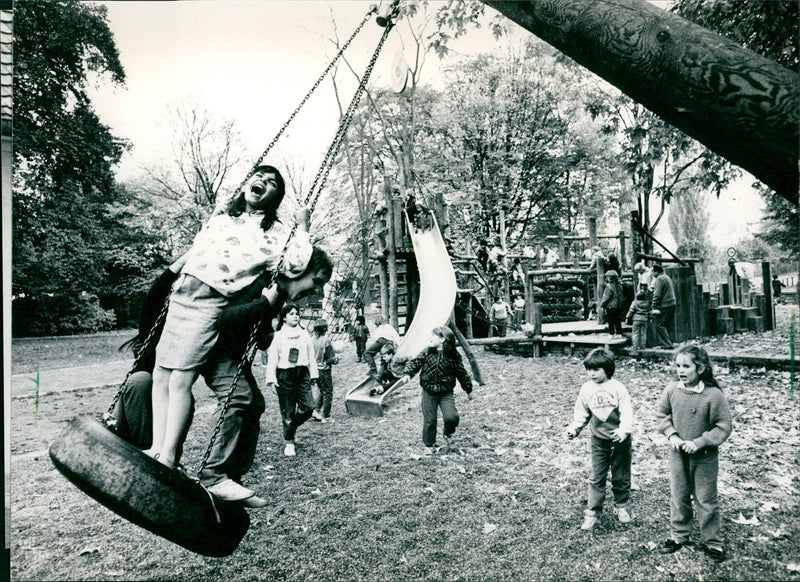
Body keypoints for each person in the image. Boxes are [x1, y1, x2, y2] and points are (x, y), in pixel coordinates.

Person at [113, 246, 334, 505]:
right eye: (316, 281)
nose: (316, 290)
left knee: (254, 404)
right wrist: (263, 305)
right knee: (232, 396)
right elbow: (225, 319)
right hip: (214, 348)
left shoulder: (278, 293)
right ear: (298, 269)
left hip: (227, 350)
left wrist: (265, 330)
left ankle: (229, 477)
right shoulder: (263, 284)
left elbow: (255, 327)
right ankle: (209, 474)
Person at [146, 165, 313, 468]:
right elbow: (199, 247)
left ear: (276, 199)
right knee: (161, 375)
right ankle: (156, 448)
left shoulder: (275, 233)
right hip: (182, 296)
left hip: (210, 301)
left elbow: (296, 264)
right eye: (259, 176)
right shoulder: (222, 218)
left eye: (272, 183)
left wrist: (303, 226)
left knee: (180, 379)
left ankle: (168, 455)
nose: (262, 181)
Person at [655, 345, 732, 563]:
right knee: (679, 495)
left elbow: (723, 426)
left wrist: (700, 442)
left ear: (700, 368)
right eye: (678, 365)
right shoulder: (672, 390)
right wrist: (671, 434)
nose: (681, 370)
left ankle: (713, 543)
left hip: (704, 457)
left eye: (686, 366)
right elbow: (661, 414)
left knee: (706, 500)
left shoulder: (713, 395)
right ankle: (679, 536)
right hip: (678, 454)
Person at [566, 348, 633, 531]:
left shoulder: (618, 388)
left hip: (619, 440)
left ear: (608, 369)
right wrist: (574, 428)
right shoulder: (586, 389)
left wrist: (623, 431)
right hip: (598, 440)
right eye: (589, 369)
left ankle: (621, 506)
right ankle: (593, 512)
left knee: (621, 474)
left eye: (596, 370)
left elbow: (627, 412)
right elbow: (582, 412)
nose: (592, 374)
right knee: (597, 476)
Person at [401, 326, 473, 455]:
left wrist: (468, 389)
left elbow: (461, 373)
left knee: (452, 417)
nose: (430, 338)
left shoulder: (453, 356)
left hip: (446, 393)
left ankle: (448, 432)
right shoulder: (427, 351)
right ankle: (429, 445)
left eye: (433, 336)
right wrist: (408, 373)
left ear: (442, 339)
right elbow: (415, 362)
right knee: (430, 420)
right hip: (429, 391)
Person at [265, 303, 319, 457]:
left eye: (297, 313)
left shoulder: (304, 334)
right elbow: (272, 358)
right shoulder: (278, 336)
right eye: (291, 314)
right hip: (285, 375)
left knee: (309, 407)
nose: (295, 316)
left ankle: (291, 427)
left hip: (302, 374)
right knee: (287, 411)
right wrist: (271, 379)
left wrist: (314, 375)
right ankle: (289, 442)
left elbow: (311, 356)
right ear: (284, 317)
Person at [311, 318, 338, 423]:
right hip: (324, 370)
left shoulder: (311, 340)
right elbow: (330, 359)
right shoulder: (326, 341)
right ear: (325, 329)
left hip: (315, 370)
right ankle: (326, 416)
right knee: (328, 393)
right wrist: (336, 359)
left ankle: (316, 411)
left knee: (322, 391)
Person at [650, 264, 676, 349]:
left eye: (652, 272)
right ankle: (670, 342)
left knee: (659, 325)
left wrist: (654, 306)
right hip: (672, 303)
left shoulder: (659, 279)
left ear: (656, 272)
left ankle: (667, 344)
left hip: (665, 304)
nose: (652, 274)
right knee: (667, 324)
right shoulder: (667, 277)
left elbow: (657, 294)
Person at [601, 270, 625, 337]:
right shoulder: (620, 286)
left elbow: (606, 297)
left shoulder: (608, 287)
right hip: (618, 306)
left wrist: (603, 305)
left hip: (610, 306)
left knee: (610, 321)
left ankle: (611, 334)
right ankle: (619, 333)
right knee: (618, 321)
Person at [625, 288, 651, 353]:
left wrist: (627, 318)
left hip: (636, 319)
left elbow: (631, 311)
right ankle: (643, 346)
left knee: (635, 333)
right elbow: (649, 312)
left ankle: (635, 347)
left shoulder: (634, 302)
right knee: (643, 333)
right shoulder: (647, 303)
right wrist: (650, 318)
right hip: (644, 320)